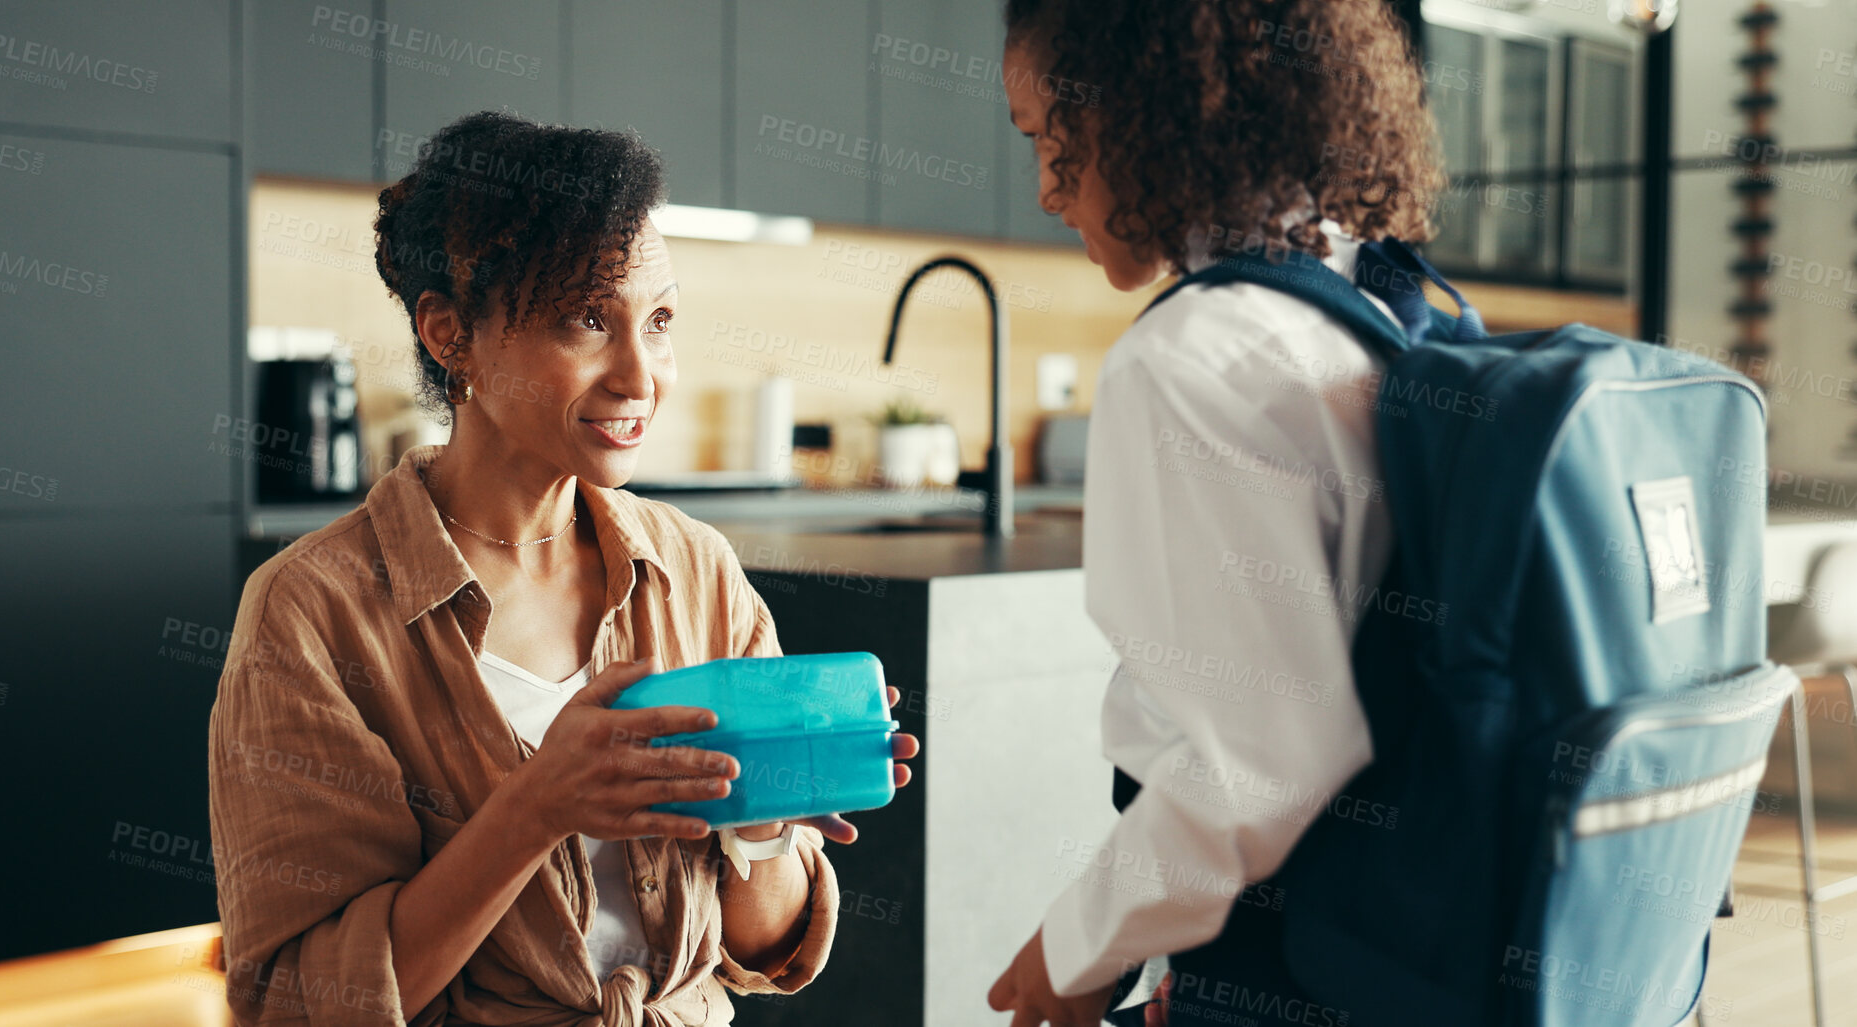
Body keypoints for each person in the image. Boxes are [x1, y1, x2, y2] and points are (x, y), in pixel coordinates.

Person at [208, 112, 917, 1027]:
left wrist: (768, 814)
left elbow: (761, 948)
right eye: (587, 319)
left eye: (657, 322)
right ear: (449, 332)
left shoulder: (695, 569)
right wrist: (533, 809)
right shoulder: (310, 612)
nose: (640, 375)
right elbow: (298, 1004)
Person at [985, 3, 1444, 1025]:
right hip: (1381, 927)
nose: (1050, 190)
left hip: (1292, 950)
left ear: (1137, 110)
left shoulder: (1196, 356)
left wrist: (1080, 946)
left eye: (1046, 137)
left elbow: (1267, 762)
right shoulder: (1366, 304)